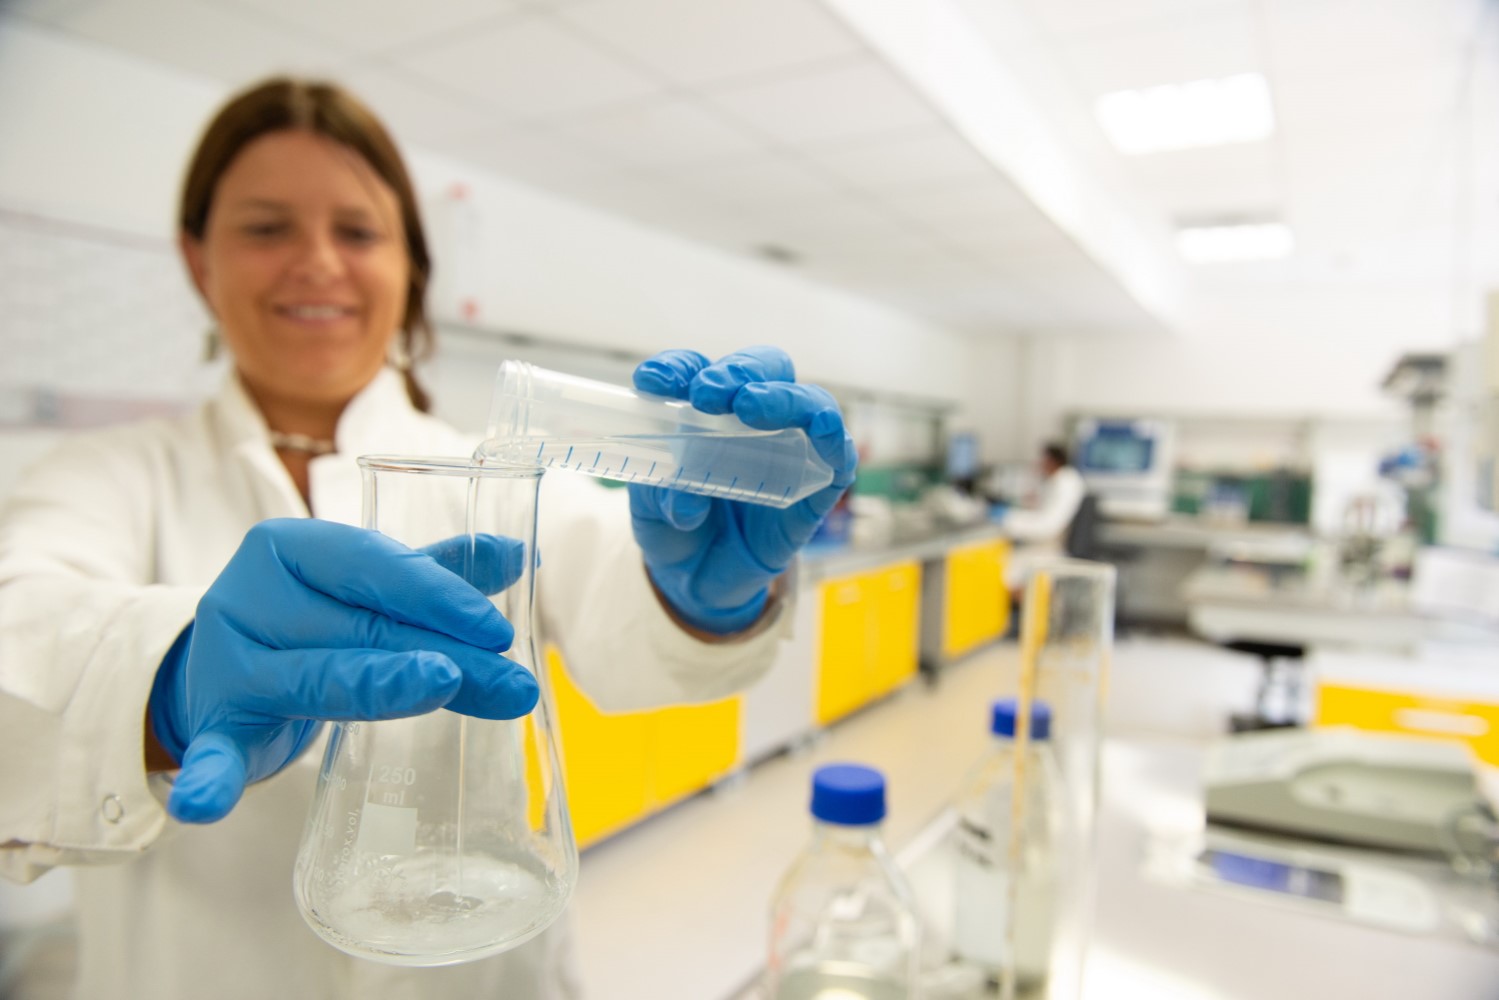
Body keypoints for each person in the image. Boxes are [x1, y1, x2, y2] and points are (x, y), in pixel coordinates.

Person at [0, 78, 856, 999]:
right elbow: (22, 622)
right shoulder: (107, 474)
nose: (316, 262)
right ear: (197, 259)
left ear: (411, 264)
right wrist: (165, 679)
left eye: (358, 232)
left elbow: (617, 601)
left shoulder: (491, 468)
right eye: (266, 228)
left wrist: (698, 597)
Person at [1001, 442, 1085, 589]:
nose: (1040, 463)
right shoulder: (1057, 480)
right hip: (1045, 545)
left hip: (1050, 550)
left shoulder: (1066, 482)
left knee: (1003, 569)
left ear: (1053, 461)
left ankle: (1022, 601)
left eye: (1043, 459)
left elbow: (1048, 527)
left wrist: (1008, 520)